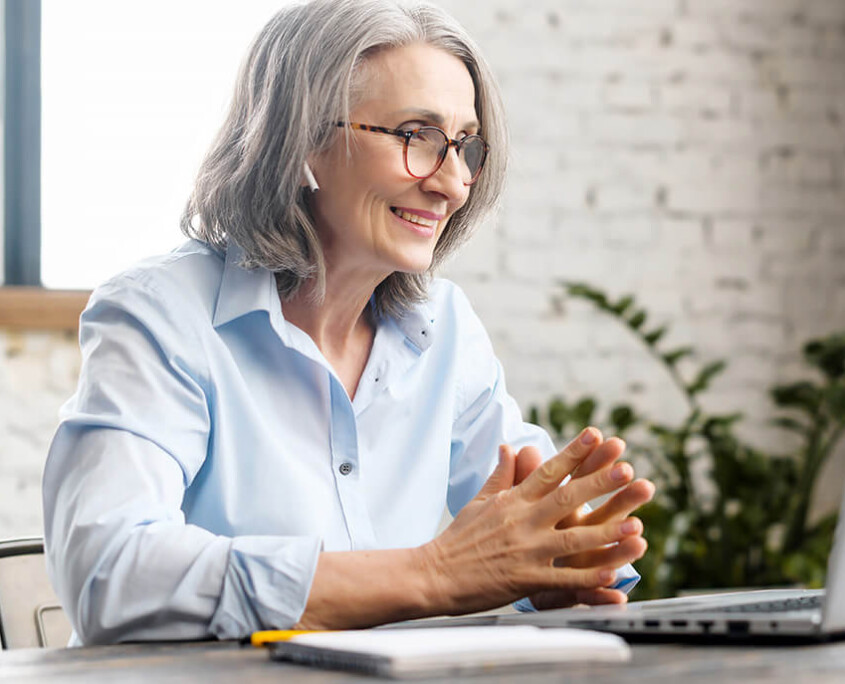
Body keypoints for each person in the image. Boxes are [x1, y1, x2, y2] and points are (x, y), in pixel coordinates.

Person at [43, 0, 655, 645]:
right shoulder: (161, 313)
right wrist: (434, 574)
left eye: (465, 146)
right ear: (302, 138)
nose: (452, 183)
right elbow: (111, 578)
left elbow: (552, 544)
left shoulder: (444, 327)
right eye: (417, 135)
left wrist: (560, 569)